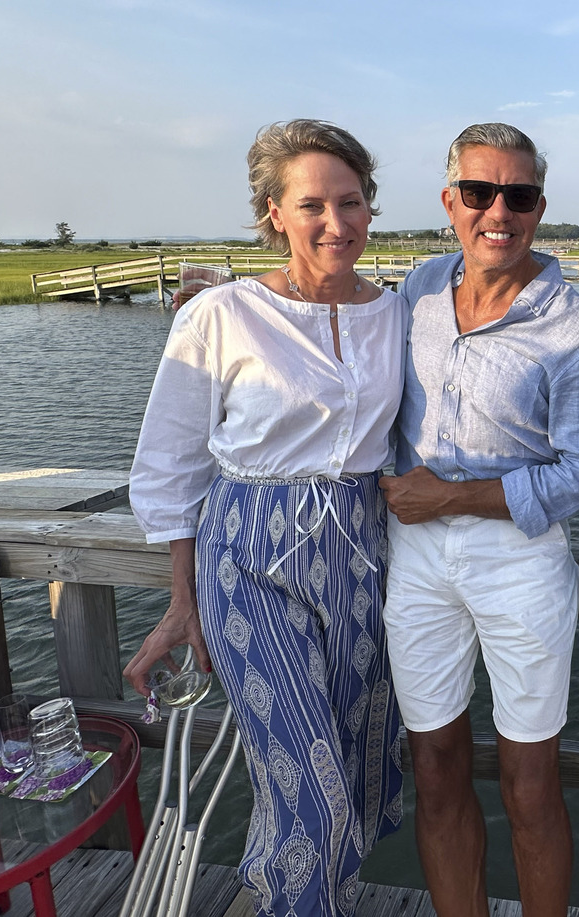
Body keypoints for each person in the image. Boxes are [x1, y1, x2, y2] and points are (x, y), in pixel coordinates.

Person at [123, 119, 406, 917]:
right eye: (311, 203)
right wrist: (183, 601)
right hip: (249, 553)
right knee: (307, 784)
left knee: (350, 763)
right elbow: (171, 465)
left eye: (350, 202)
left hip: (361, 553)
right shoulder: (220, 315)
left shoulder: (396, 314)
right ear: (272, 213)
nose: (335, 222)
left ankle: (309, 900)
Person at [378, 123, 579, 917]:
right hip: (414, 558)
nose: (497, 211)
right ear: (451, 201)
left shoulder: (571, 320)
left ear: (540, 208)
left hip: (521, 556)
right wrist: (232, 296)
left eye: (519, 195)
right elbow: (329, 325)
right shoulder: (415, 291)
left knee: (530, 777)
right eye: (479, 192)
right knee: (435, 764)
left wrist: (448, 496)